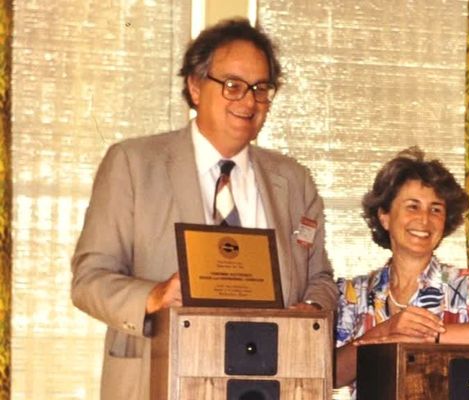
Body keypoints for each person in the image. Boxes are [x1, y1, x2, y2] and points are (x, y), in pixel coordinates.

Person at [71, 18, 338, 400]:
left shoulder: (294, 180)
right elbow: (88, 280)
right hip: (157, 379)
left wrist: (311, 309)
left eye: (261, 89)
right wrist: (154, 296)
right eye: (233, 86)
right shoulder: (133, 163)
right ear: (195, 87)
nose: (248, 101)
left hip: (269, 385)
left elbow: (321, 279)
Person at [334, 147, 469, 392]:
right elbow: (330, 373)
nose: (425, 219)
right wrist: (384, 332)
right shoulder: (353, 294)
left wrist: (432, 336)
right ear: (384, 216)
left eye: (436, 209)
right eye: (412, 206)